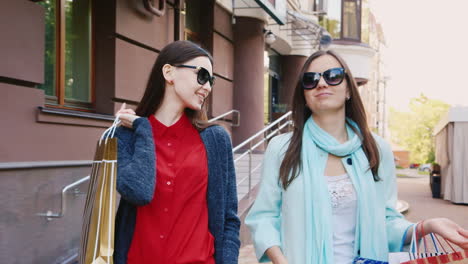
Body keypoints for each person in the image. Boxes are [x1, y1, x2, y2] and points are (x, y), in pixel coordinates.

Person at [245, 50, 468, 264]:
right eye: (310, 80)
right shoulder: (282, 148)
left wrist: (426, 226)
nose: (321, 83)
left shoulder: (376, 149)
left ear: (349, 89)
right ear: (304, 95)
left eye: (333, 76)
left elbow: (387, 221)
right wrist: (281, 261)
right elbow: (263, 218)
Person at [113, 40, 240, 264]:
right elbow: (137, 192)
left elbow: (229, 218)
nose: (208, 87)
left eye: (211, 81)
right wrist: (142, 128)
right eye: (202, 76)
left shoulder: (216, 140)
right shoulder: (128, 135)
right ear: (169, 72)